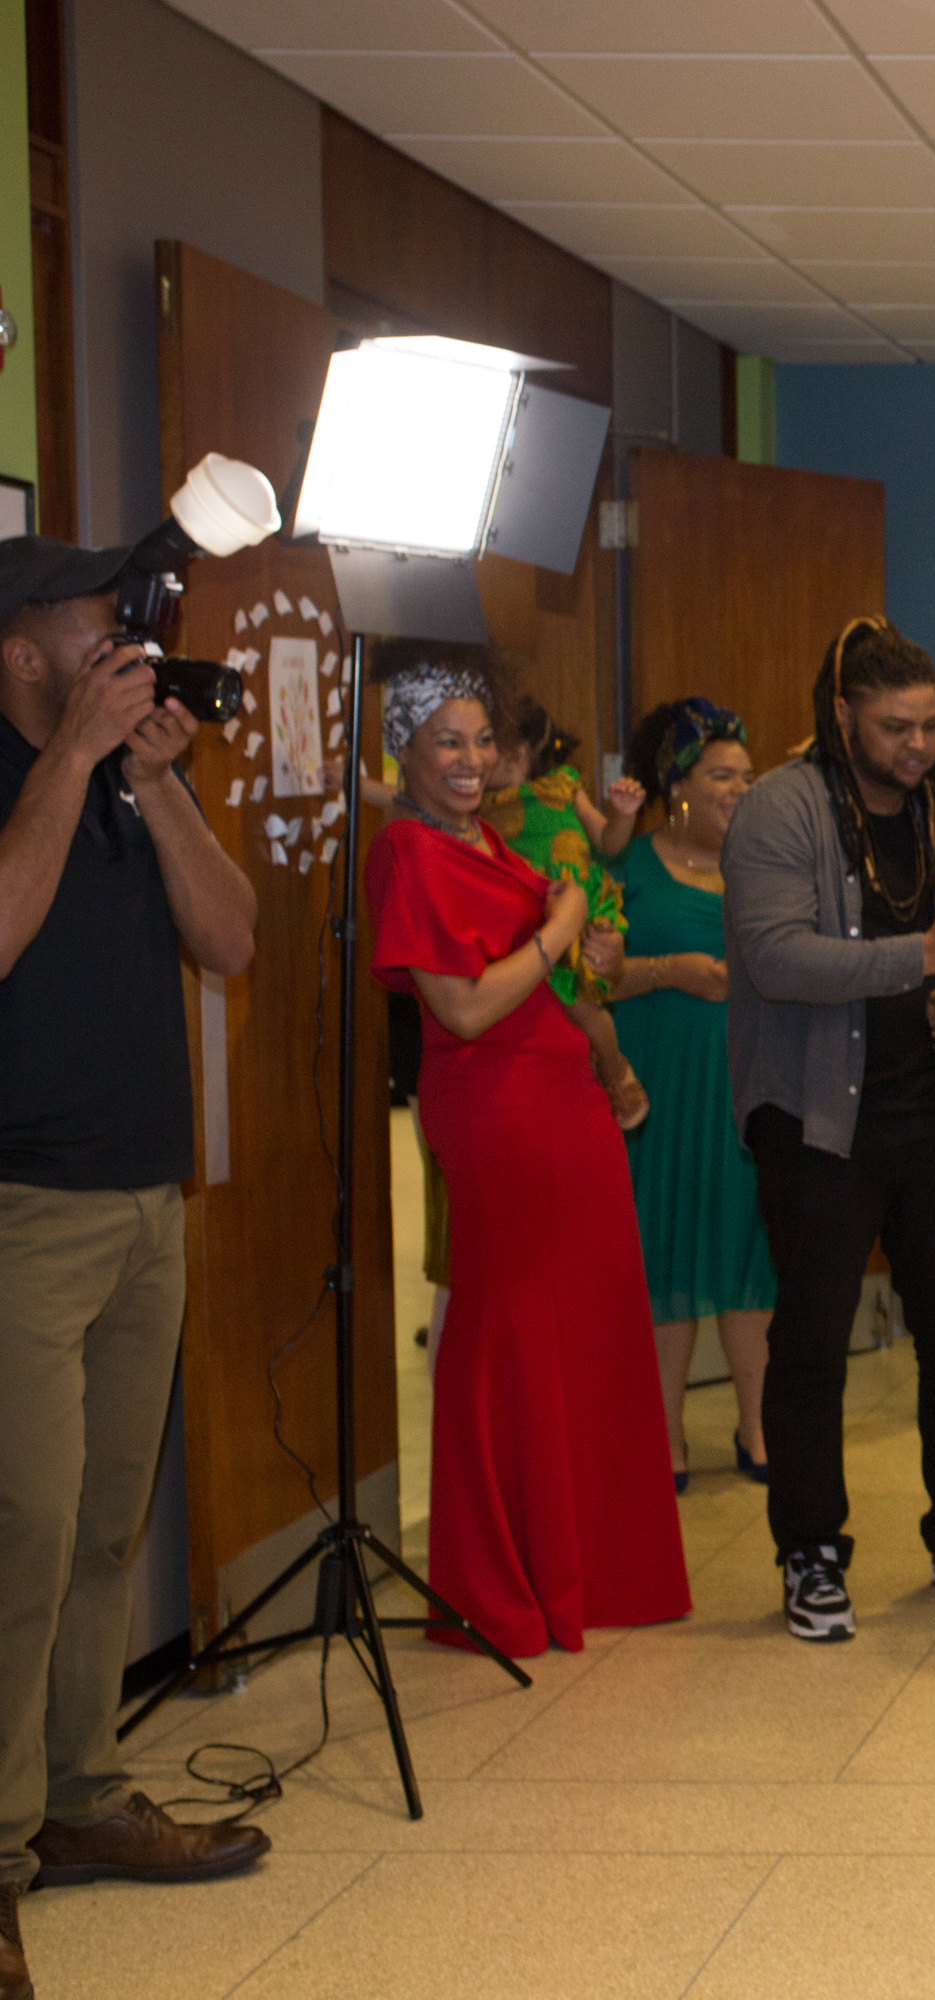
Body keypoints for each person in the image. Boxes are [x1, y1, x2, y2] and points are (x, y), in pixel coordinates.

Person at [0, 540, 267, 1992]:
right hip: (19, 1212)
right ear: (22, 652)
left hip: (143, 1207)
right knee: (17, 1540)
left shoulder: (123, 781)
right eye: (96, 629)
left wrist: (154, 777)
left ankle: (80, 1795)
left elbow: (231, 939)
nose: (127, 649)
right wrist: (73, 765)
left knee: (105, 1523)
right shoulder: (29, 774)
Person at [364, 653, 691, 1658]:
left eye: (478, 740)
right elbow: (459, 1006)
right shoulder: (410, 852)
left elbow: (557, 949)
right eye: (443, 743)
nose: (468, 761)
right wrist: (556, 937)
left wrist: (587, 949)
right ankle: (501, 1575)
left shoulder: (487, 839)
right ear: (404, 753)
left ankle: (578, 1564)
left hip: (563, 1101)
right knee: (509, 1329)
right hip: (501, 1109)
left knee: (583, 1330)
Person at [726, 615, 935, 1645]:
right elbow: (775, 957)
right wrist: (919, 957)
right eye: (897, 726)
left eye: (932, 724)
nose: (919, 745)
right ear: (845, 715)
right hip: (818, 1118)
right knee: (811, 1344)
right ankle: (810, 1550)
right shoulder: (780, 808)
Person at [606, 697, 774, 1491]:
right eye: (721, 776)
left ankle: (758, 1425)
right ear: (677, 784)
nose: (739, 789)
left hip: (745, 1086)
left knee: (749, 1250)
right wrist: (673, 970)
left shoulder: (766, 865)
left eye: (747, 775)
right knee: (665, 1249)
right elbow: (586, 980)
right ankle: (662, 1431)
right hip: (661, 1089)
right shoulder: (627, 866)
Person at [484, 698, 648, 1129]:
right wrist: (358, 784)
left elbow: (609, 843)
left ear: (522, 753)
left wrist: (623, 815)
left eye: (490, 745)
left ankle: (617, 1070)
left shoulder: (563, 785)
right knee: (564, 1010)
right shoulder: (481, 808)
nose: (481, 759)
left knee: (585, 1009)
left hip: (578, 904)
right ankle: (600, 1071)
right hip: (534, 917)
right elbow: (406, 799)